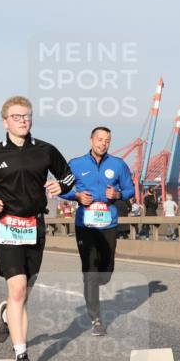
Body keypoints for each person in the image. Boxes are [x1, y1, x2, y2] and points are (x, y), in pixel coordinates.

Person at [0, 95, 75, 361]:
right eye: (16, 117)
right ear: (5, 121)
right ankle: (22, 358)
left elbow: (69, 178)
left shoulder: (45, 150)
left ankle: (6, 315)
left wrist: (58, 186)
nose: (23, 120)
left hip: (35, 227)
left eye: (27, 116)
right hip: (6, 227)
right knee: (17, 290)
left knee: (23, 292)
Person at [60, 126, 135, 335]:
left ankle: (98, 278)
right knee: (91, 271)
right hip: (85, 226)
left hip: (108, 225)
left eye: (107, 140)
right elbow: (62, 189)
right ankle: (96, 319)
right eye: (100, 139)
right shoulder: (76, 164)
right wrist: (76, 196)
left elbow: (131, 189)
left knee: (106, 271)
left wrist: (118, 194)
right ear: (91, 140)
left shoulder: (118, 165)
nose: (103, 143)